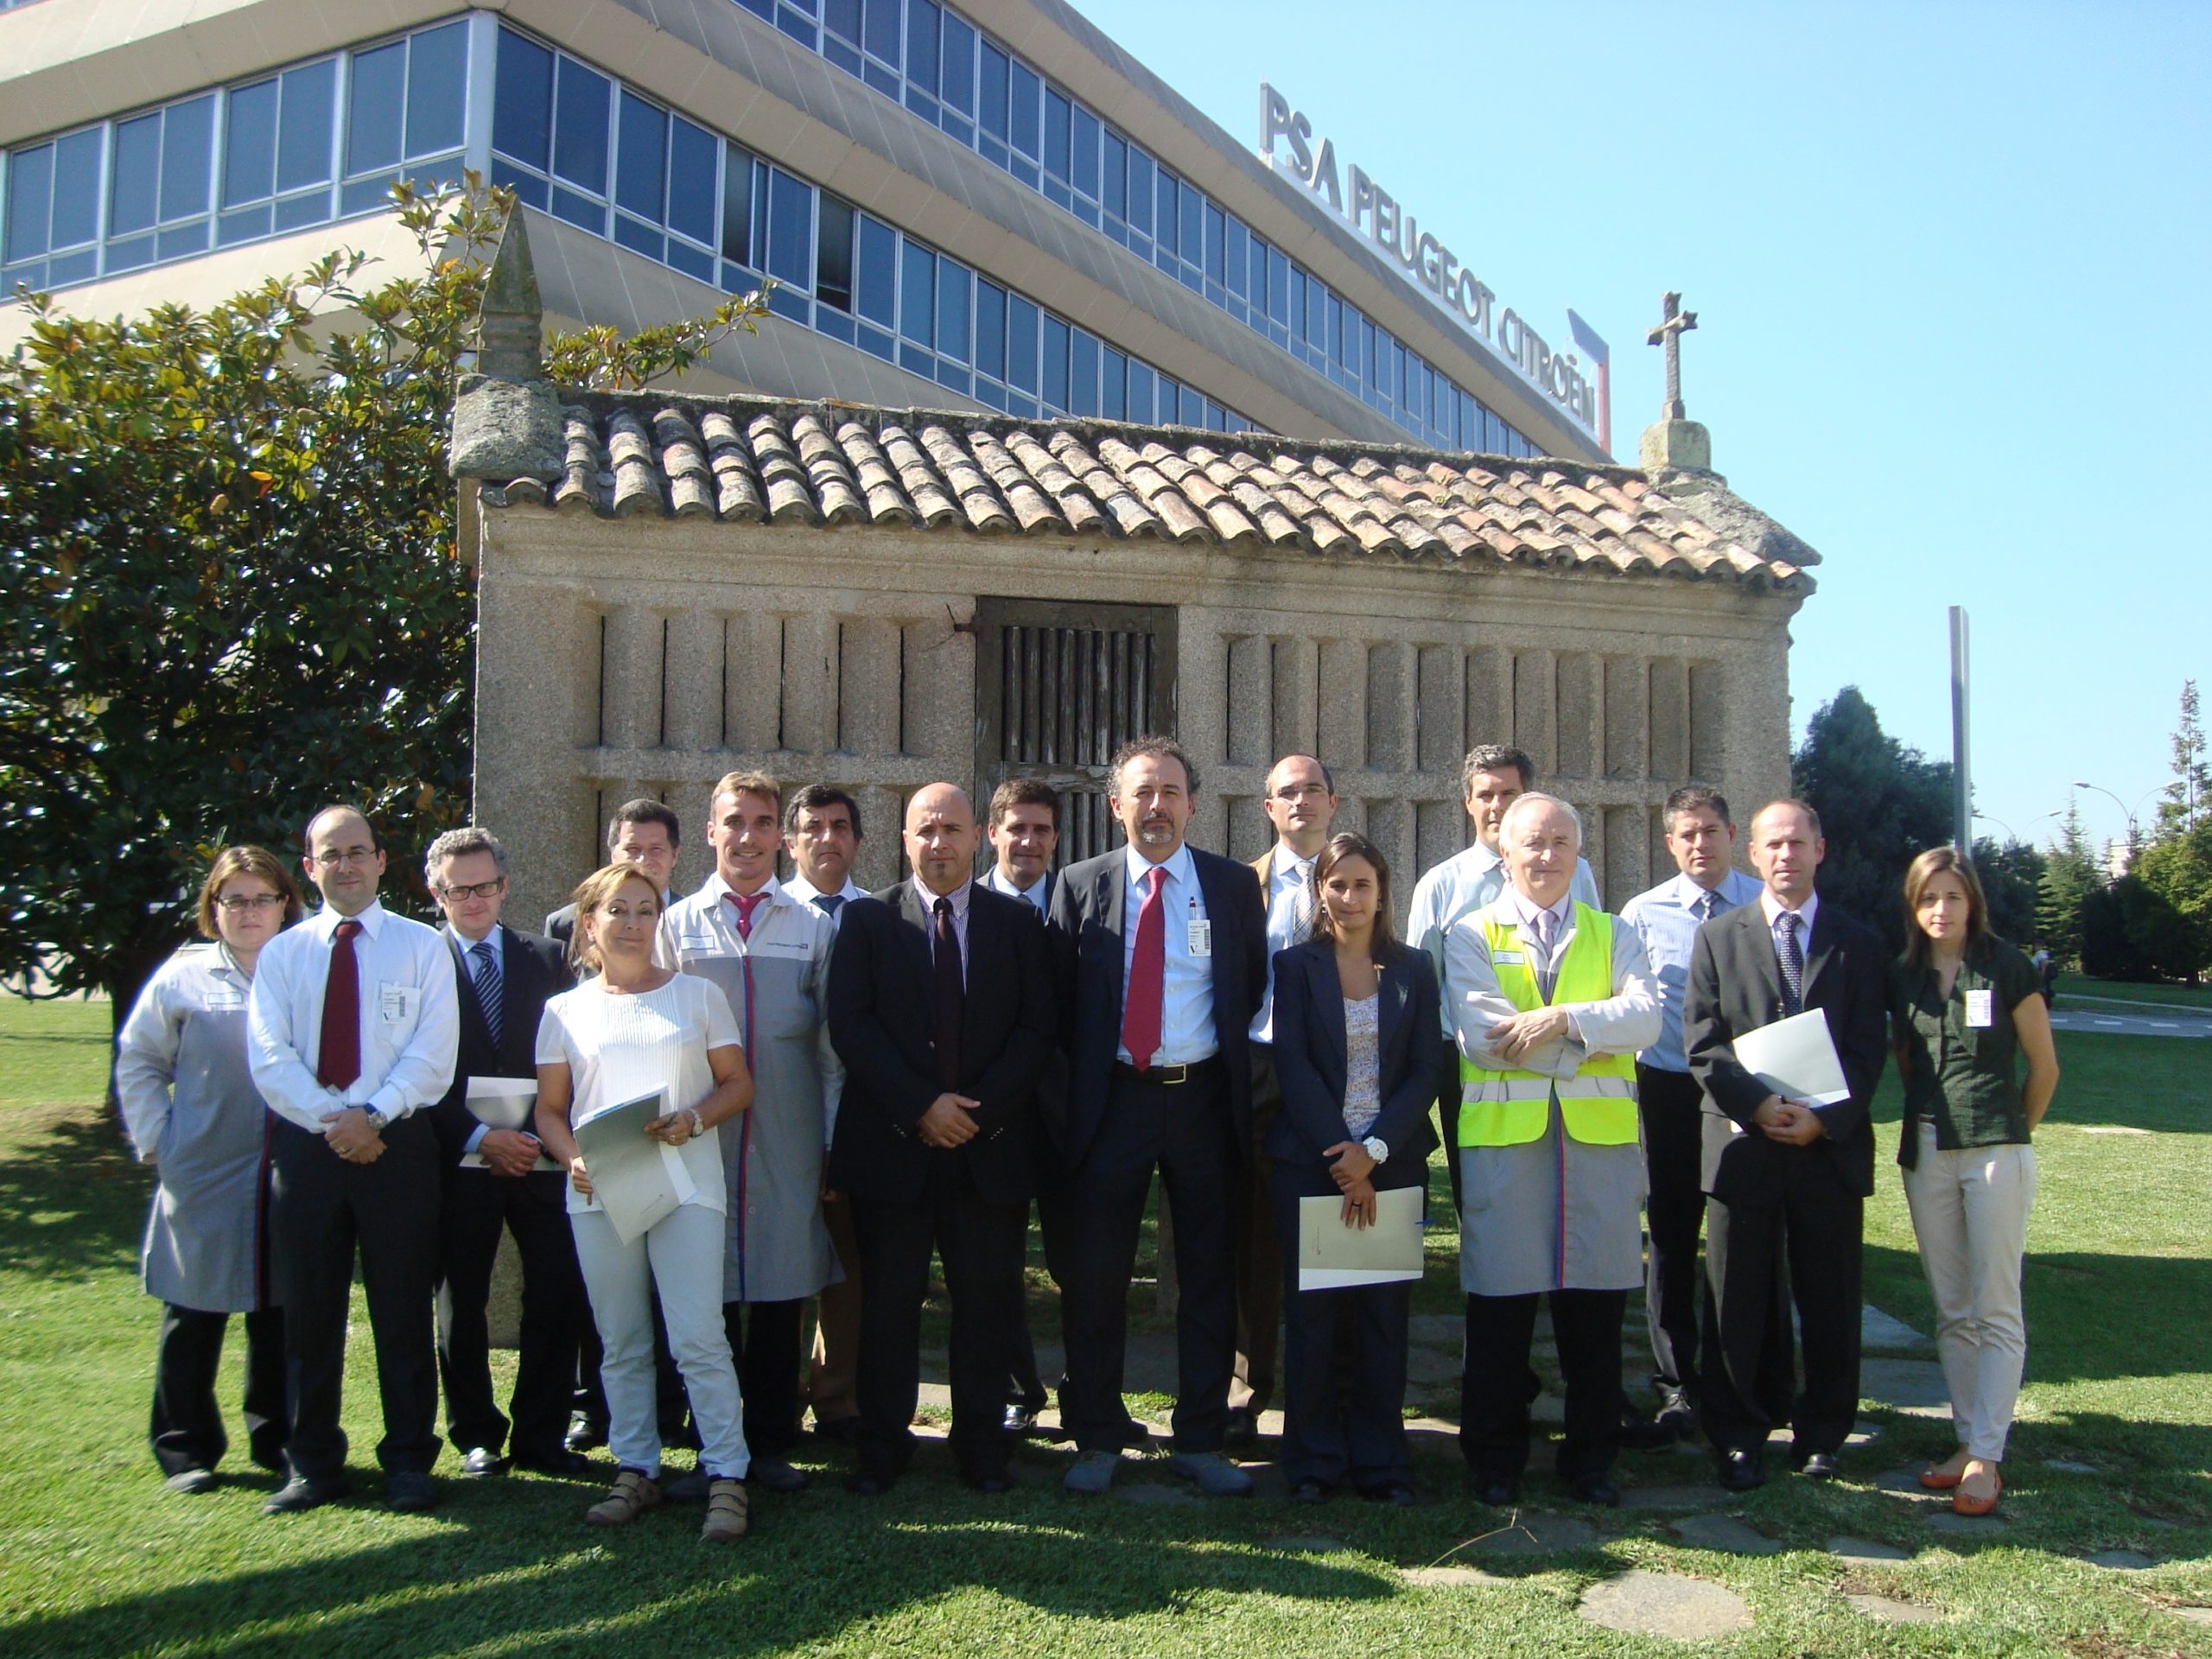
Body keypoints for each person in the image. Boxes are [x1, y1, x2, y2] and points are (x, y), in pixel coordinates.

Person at [1046, 736, 1268, 1497]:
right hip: (1112, 1101)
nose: (1157, 806)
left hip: (1204, 1098)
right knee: (1097, 1273)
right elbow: (1060, 1005)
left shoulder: (1234, 887)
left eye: (1171, 792)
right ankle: (1098, 1436)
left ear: (1192, 805)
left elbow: (1250, 990)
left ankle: (1201, 1437)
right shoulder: (1080, 885)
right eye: (1142, 793)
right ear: (1116, 807)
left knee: (1208, 1276)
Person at [826, 784, 1055, 1494]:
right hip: (893, 1149)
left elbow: (1035, 1029)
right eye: (926, 830)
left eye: (953, 829)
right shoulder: (867, 922)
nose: (939, 843)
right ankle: (882, 1446)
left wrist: (972, 1115)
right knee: (888, 1308)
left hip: (988, 1153)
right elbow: (851, 1026)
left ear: (978, 834)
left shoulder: (1016, 924)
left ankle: (981, 1447)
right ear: (904, 838)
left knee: (985, 1306)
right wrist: (922, 1107)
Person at [1446, 793, 1659, 1508]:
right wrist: (1593, 1042)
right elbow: (1484, 1038)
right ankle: (1495, 1459)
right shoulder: (1471, 934)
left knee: (1594, 1319)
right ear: (1503, 849)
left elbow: (1649, 1017)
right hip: (1507, 1151)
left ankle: (1592, 1460)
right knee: (1500, 1315)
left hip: (1597, 1151)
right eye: (1532, 842)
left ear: (1579, 853)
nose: (1546, 855)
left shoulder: (1613, 931)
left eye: (1561, 842)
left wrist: (1563, 1018)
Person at [246, 805, 460, 1516]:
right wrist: (334, 1120)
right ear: (309, 867)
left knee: (401, 1307)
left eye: (357, 851)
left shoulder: (422, 946)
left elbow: (433, 1055)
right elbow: (270, 1058)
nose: (345, 864)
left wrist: (370, 1114)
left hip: (396, 1146)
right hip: (309, 1148)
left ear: (380, 860)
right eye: (329, 854)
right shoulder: (283, 954)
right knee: (309, 1312)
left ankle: (407, 1462)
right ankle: (312, 1464)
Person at [533, 862, 754, 1541]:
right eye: (618, 910)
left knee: (697, 1337)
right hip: (601, 1191)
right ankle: (636, 1467)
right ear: (589, 924)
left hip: (686, 1184)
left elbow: (738, 1085)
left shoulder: (698, 996)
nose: (633, 923)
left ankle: (726, 1475)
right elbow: (548, 1110)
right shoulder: (563, 1012)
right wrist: (569, 1155)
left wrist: (692, 1119)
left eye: (645, 910)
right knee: (622, 1339)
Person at [1686, 799, 1887, 1492]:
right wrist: (1762, 1105)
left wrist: (1823, 1119)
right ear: (1754, 854)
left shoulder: (1858, 942)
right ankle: (1738, 1436)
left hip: (1825, 1151)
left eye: (1798, 843)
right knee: (1733, 1302)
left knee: (1830, 1300)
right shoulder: (1718, 938)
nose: (1785, 856)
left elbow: (1867, 1050)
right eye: (1773, 844)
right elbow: (1703, 1044)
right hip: (1745, 1147)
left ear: (1820, 849)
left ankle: (1823, 1433)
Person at [658, 771, 842, 1496]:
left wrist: (829, 1142)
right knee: (705, 1296)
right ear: (710, 832)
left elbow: (830, 1052)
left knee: (776, 1291)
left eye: (764, 823)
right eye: (734, 821)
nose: (748, 836)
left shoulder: (811, 927)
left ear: (781, 836)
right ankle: (712, 1442)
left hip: (788, 1138)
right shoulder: (676, 927)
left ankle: (769, 1442)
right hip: (700, 1138)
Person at [114, 846, 302, 1494]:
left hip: (285, 1169)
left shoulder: (304, 969)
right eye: (235, 900)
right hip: (203, 1167)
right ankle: (185, 1448)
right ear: (213, 909)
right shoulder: (183, 977)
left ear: (285, 904)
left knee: (278, 1314)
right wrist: (158, 1143)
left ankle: (277, 1439)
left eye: (262, 898)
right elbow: (138, 1060)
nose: (250, 912)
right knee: (192, 1314)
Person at [1267, 832, 1440, 1504]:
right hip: (1312, 1162)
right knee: (1312, 1321)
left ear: (1382, 891)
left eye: (1362, 883)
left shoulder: (1414, 969)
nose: (1350, 896)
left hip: (1389, 1166)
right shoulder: (1295, 966)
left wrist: (1374, 1153)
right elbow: (1294, 1066)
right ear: (1320, 892)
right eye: (1337, 884)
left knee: (1380, 1319)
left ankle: (1381, 1462)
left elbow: (1426, 1068)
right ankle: (1311, 1462)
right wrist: (1343, 1153)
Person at [1892, 848, 2058, 1517]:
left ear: (1972, 902)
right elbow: (1908, 1067)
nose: (1941, 910)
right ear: (1914, 905)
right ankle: (1966, 1441)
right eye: (1928, 898)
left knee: (1995, 1306)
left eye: (1952, 897)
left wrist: (2014, 1133)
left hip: (1996, 1148)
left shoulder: (2006, 966)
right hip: (1928, 1149)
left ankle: (1988, 1452)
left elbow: (2044, 1069)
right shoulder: (1902, 975)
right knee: (1952, 1306)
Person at [423, 827, 591, 1480]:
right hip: (458, 1158)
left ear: (505, 885)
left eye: (485, 886)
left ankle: (542, 1435)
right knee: (461, 1299)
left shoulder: (548, 960)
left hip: (543, 1158)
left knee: (556, 1292)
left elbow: (573, 1058)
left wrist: (545, 1136)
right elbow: (410, 1070)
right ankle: (476, 1436)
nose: (474, 900)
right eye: (459, 889)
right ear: (436, 893)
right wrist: (477, 1137)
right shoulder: (420, 962)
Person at [1617, 786, 1765, 1446]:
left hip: (1746, 1093)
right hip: (1669, 1087)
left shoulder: (1761, 907)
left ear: (1732, 835)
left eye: (1710, 830)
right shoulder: (1642, 914)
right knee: (1673, 1238)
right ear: (1670, 844)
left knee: (1744, 1238)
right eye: (1686, 834)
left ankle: (1742, 1376)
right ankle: (1677, 1384)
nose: (1699, 843)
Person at [1408, 744, 1599, 1208]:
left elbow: (1594, 952)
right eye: (1485, 794)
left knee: (1560, 1191)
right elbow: (1420, 980)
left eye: (1509, 793)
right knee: (1483, 1194)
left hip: (1561, 1054)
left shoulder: (1576, 873)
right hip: (1471, 1064)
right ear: (1467, 803)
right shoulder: (1441, 884)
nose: (1497, 806)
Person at [1228, 753, 1339, 1449]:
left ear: (1332, 802)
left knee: (1340, 1231)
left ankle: (1332, 1394)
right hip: (1258, 1068)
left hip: (1337, 1074)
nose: (1300, 801)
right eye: (1285, 793)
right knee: (1252, 1238)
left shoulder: (1361, 878)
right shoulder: (1240, 886)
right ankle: (1245, 1389)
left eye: (1312, 790)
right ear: (1268, 809)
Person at [981, 779, 1075, 1437]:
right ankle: (1016, 1387)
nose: (1029, 841)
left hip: (1070, 1115)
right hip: (994, 1118)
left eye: (1042, 830)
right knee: (997, 1263)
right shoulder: (968, 907)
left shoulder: (1079, 904)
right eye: (1017, 828)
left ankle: (1088, 1391)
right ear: (993, 833)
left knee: (1081, 1262)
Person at [781, 784, 868, 1451]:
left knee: (847, 1271)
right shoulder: (767, 916)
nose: (827, 839)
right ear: (791, 842)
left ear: (858, 841)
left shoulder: (881, 917)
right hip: (779, 1125)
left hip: (857, 1126)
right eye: (812, 828)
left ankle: (838, 1396)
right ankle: (777, 1397)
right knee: (780, 1272)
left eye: (840, 827)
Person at [545, 799, 683, 949]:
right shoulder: (565, 924)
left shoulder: (694, 920)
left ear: (674, 855)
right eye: (632, 849)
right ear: (613, 854)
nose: (643, 860)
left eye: (656, 849)